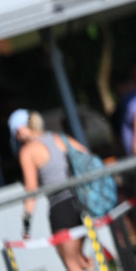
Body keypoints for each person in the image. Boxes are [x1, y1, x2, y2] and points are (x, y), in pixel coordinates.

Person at [8, 109, 94, 270]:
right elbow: (87, 156)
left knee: (72, 263)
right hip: (80, 203)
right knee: (81, 260)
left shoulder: (27, 151)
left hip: (61, 208)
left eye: (15, 134)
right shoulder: (58, 137)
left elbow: (31, 190)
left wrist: (26, 223)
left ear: (20, 130)